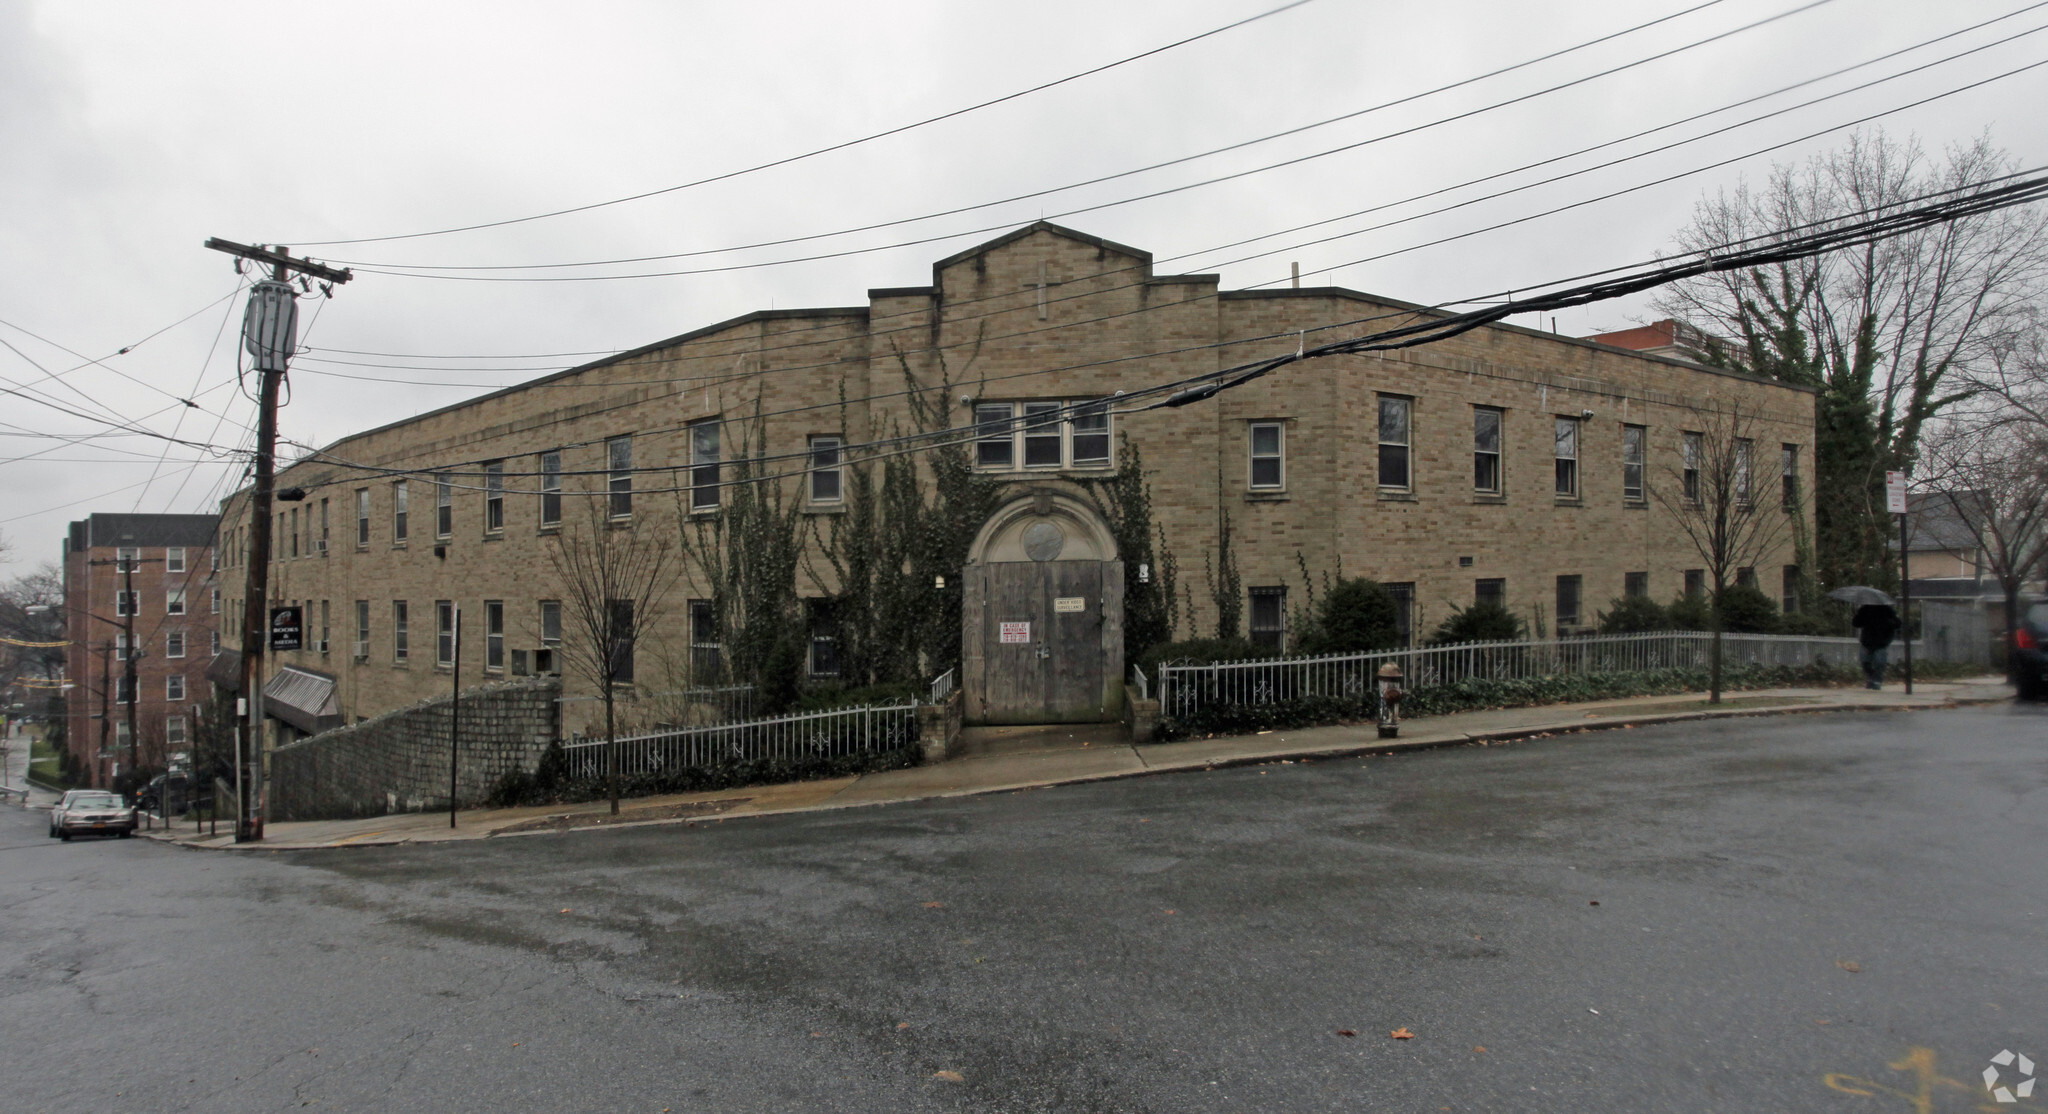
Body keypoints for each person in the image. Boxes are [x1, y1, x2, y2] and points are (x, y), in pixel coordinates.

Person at [1853, 603, 1902, 690]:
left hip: (1881, 641)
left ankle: (1877, 680)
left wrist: (1887, 623)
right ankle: (1872, 678)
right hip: (1867, 641)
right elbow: (1856, 623)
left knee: (1880, 662)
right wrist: (1859, 616)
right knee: (1865, 662)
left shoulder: (1887, 610)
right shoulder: (1865, 609)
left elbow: (1897, 623)